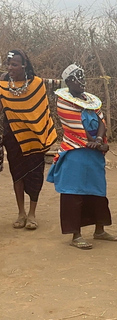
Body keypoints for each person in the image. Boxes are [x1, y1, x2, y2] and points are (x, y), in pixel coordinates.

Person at [47, 64, 117, 249]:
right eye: (78, 78)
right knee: (74, 193)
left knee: (98, 191)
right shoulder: (63, 101)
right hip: (75, 152)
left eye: (83, 77)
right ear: (69, 81)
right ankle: (76, 235)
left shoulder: (90, 100)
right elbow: (74, 125)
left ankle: (99, 230)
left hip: (93, 154)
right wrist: (92, 142)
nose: (83, 82)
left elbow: (101, 120)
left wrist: (98, 138)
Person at [0, 49, 57, 230]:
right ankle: (21, 212)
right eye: (8, 64)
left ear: (24, 65)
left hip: (34, 138)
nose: (10, 68)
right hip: (13, 137)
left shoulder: (37, 84)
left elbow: (42, 111)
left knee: (34, 174)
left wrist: (42, 133)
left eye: (14, 65)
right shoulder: (2, 83)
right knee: (17, 174)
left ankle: (32, 213)